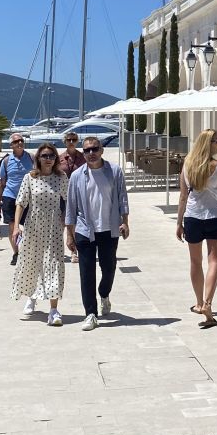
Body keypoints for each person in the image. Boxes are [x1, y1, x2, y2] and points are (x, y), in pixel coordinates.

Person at [64, 135, 130, 331]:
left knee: (109, 268)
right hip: (86, 230)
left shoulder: (114, 171)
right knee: (87, 273)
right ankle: (90, 314)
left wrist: (125, 222)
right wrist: (70, 234)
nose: (91, 153)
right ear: (83, 153)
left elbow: (123, 198)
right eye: (87, 150)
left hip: (109, 228)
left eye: (94, 149)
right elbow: (71, 207)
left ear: (101, 150)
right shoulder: (77, 176)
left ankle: (104, 293)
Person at [176, 129, 217, 328]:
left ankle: (199, 302)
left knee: (195, 261)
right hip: (215, 217)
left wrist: (178, 223)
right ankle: (208, 303)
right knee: (214, 260)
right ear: (208, 144)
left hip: (193, 217)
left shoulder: (187, 165)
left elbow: (183, 197)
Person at [12, 143, 68, 326]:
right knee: (31, 262)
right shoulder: (30, 177)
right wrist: (16, 227)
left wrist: (66, 220)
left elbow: (69, 200)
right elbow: (20, 202)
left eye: (51, 155)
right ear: (38, 158)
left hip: (53, 228)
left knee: (53, 265)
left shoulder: (61, 178)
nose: (48, 159)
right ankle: (32, 296)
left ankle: (53, 310)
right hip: (33, 226)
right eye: (44, 155)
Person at [0, 134, 34, 265]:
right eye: (16, 141)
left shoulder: (32, 158)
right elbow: (1, 183)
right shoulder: (6, 161)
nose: (19, 143)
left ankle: (29, 252)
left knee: (30, 227)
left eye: (21, 140)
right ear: (11, 145)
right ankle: (16, 253)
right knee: (12, 227)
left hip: (29, 197)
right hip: (10, 196)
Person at [60, 132, 88, 264]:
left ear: (77, 142)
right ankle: (60, 250)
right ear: (65, 141)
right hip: (63, 195)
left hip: (79, 195)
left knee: (75, 224)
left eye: (74, 140)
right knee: (62, 224)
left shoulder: (83, 158)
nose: (71, 142)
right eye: (69, 140)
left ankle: (74, 252)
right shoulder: (59, 158)